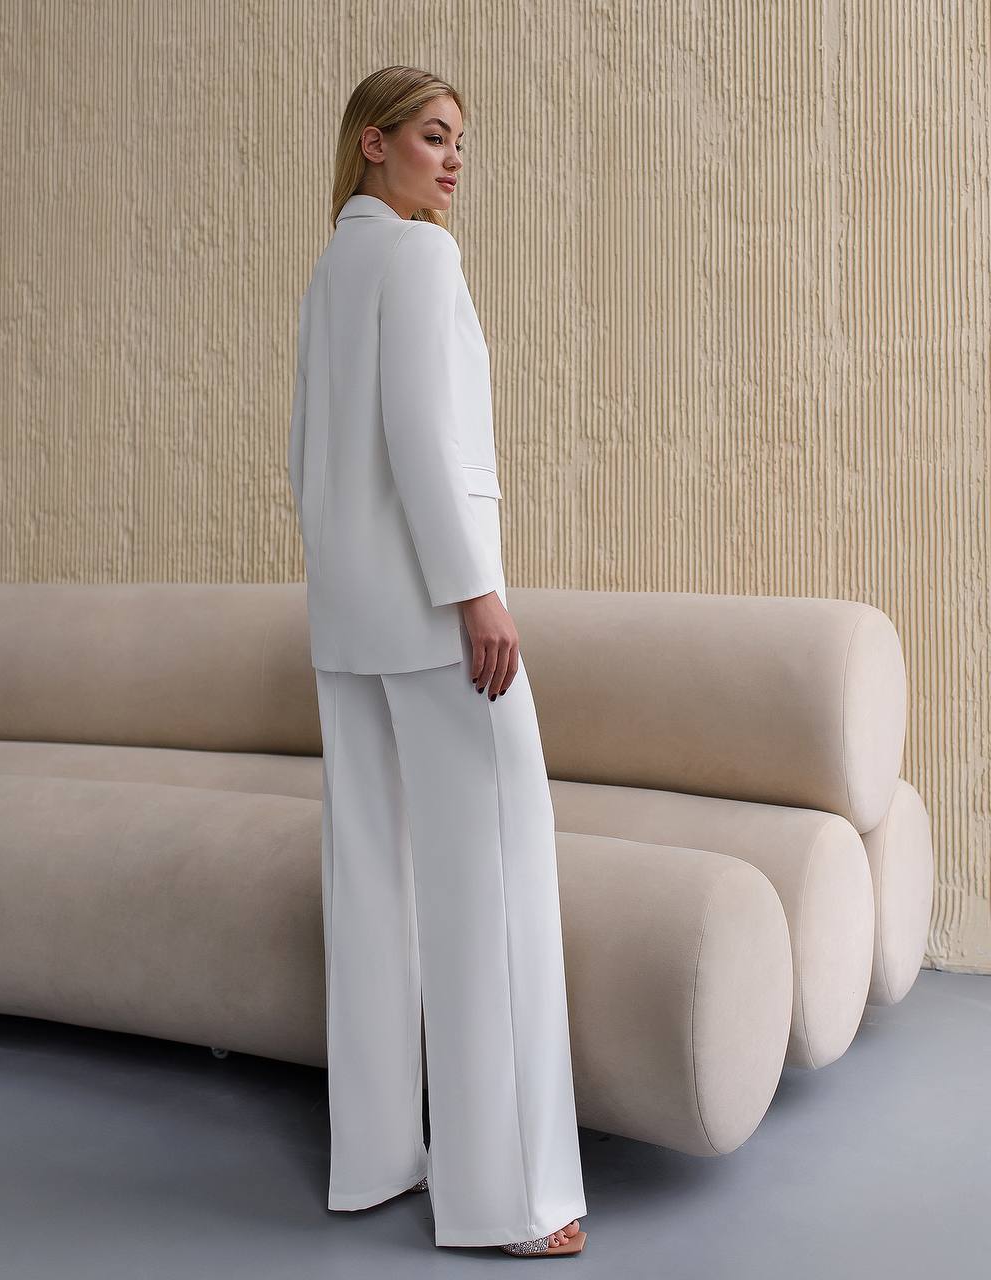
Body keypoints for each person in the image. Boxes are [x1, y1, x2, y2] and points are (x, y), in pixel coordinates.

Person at [287, 64, 587, 1257]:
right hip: (430, 613)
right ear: (374, 143)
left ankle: (372, 1161)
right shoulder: (417, 259)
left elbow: (307, 460)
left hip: (347, 621)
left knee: (372, 883)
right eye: (432, 136)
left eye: (460, 140)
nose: (452, 160)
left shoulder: (330, 267)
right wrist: (478, 594)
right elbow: (421, 434)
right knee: (497, 886)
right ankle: (508, 1199)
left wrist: (358, 587)